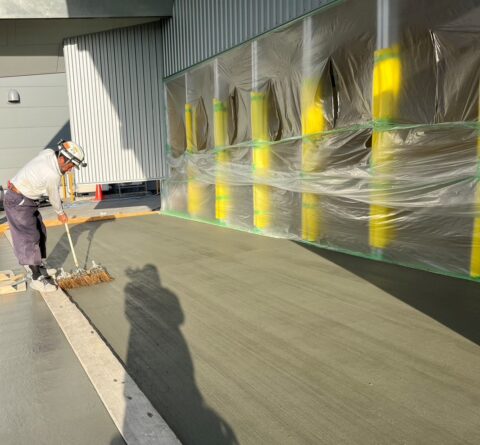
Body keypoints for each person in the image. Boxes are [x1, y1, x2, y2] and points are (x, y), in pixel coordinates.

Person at [3, 140, 87, 292]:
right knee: (29, 236)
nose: (70, 170)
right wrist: (60, 213)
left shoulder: (49, 153)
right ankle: (36, 278)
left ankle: (39, 265)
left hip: (27, 198)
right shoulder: (52, 174)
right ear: (62, 159)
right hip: (18, 200)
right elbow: (54, 196)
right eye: (71, 165)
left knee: (40, 231)